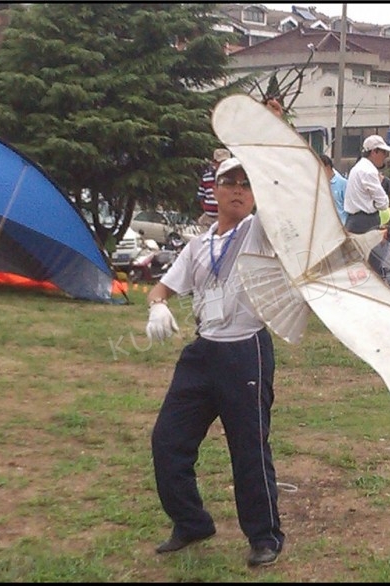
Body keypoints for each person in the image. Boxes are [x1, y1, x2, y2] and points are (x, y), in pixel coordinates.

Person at [146, 154, 285, 568]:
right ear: (215, 190)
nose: (239, 190)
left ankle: (264, 537)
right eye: (230, 182)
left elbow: (286, 201)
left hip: (245, 349)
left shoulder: (258, 231)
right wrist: (157, 306)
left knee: (248, 446)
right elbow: (161, 288)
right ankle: (191, 523)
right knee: (168, 440)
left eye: (246, 183)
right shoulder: (198, 244)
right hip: (203, 351)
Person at [343, 135, 390, 234]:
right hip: (366, 222)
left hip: (353, 221)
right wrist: (374, 204)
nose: (385, 156)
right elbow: (383, 203)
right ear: (374, 152)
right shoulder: (369, 171)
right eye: (384, 152)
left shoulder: (357, 168)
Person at [196, 148, 231, 229]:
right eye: (220, 163)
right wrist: (206, 208)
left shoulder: (233, 178)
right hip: (209, 218)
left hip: (226, 218)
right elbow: (201, 195)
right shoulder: (206, 177)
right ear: (214, 163)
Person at [320, 154, 348, 225]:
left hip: (341, 225)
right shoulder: (318, 184)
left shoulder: (343, 183)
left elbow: (349, 207)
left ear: (327, 167)